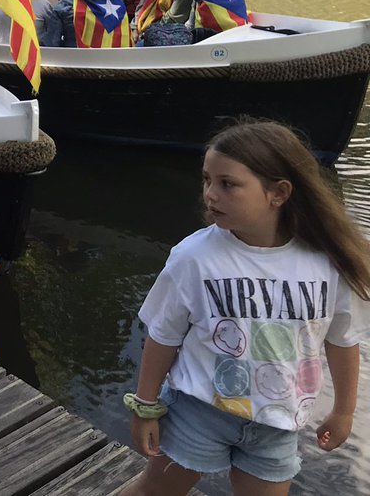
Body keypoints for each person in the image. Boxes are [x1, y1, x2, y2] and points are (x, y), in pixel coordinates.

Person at [119, 120, 370, 496]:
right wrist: (145, 406)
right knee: (153, 491)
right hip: (198, 412)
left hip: (278, 424)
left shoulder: (327, 263)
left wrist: (345, 410)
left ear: (279, 193)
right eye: (207, 180)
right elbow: (163, 335)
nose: (210, 194)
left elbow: (342, 340)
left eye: (227, 184)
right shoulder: (195, 257)